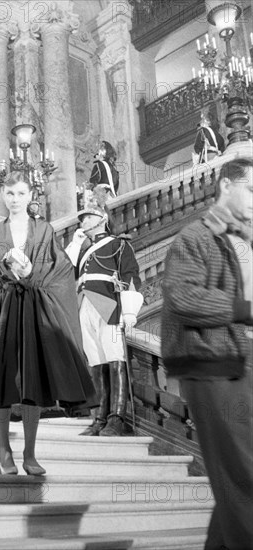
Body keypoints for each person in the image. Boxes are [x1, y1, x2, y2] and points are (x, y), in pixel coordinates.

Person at [0, 172, 97, 477]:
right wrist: (7, 269)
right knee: (0, 382)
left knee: (32, 383)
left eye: (21, 194)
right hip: (2, 308)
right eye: (9, 194)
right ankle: (4, 451)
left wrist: (31, 269)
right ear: (4, 195)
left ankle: (30, 453)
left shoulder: (44, 230)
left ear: (30, 195)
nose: (15, 200)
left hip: (34, 308)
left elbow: (59, 267)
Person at [161, 157, 253, 550]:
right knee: (244, 475)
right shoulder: (194, 237)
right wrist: (244, 309)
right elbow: (182, 297)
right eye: (251, 188)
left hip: (239, 361)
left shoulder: (242, 238)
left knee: (238, 476)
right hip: (208, 365)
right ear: (226, 186)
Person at [66, 189, 142, 437]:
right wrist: (76, 244)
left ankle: (116, 417)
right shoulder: (83, 247)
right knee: (96, 360)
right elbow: (66, 272)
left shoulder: (119, 244)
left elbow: (130, 276)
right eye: (82, 218)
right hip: (85, 304)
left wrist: (129, 310)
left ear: (102, 218)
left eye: (88, 217)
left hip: (109, 305)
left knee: (113, 356)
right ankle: (100, 417)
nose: (83, 222)